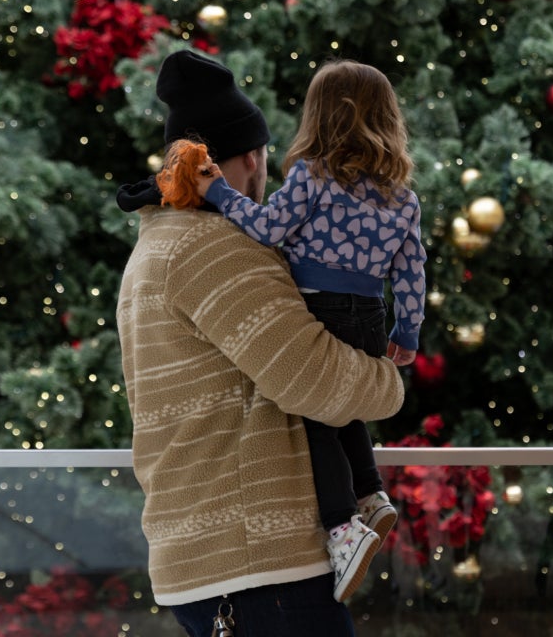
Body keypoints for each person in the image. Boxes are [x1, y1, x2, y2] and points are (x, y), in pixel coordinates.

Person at [115, 49, 405, 637]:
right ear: (252, 156)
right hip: (255, 567)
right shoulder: (214, 247)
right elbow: (312, 379)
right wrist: (390, 383)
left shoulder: (159, 243)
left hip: (222, 560)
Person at [193, 59, 426, 602]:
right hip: (369, 316)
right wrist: (407, 331)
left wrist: (220, 195)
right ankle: (371, 493)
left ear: (318, 117)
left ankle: (343, 528)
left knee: (317, 415)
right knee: (344, 407)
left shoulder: (312, 176)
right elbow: (412, 271)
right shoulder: (402, 198)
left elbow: (267, 226)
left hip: (318, 308)